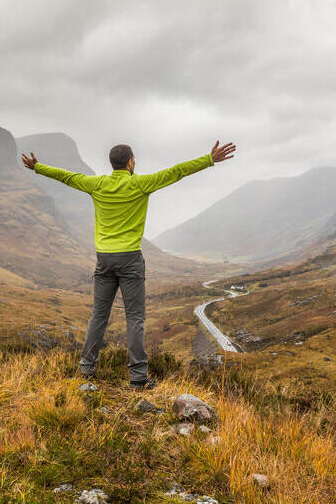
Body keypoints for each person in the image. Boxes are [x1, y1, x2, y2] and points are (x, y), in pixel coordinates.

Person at [21, 140, 237, 389]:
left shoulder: (97, 184)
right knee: (134, 318)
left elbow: (67, 177)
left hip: (104, 259)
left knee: (98, 316)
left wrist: (38, 167)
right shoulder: (140, 184)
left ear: (112, 164)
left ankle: (87, 369)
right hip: (130, 260)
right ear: (131, 162)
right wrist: (209, 159)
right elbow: (177, 172)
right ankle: (138, 378)